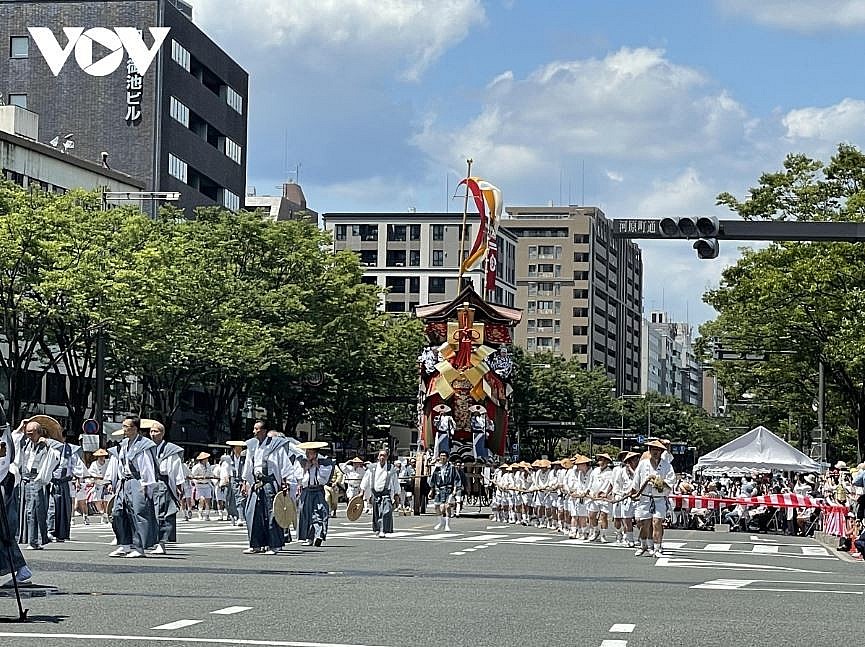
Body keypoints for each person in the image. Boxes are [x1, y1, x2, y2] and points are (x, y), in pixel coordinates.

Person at [106, 417, 157, 558]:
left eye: (126, 426)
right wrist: (113, 482)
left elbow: (147, 467)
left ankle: (139, 547)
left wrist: (147, 486)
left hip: (137, 481)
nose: (123, 429)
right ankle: (124, 544)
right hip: (124, 482)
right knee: (118, 512)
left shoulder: (143, 445)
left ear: (135, 428)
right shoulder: (123, 444)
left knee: (138, 513)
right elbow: (118, 465)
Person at [241, 425, 294, 554]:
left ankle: (274, 545)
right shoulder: (252, 446)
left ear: (264, 431)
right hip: (256, 482)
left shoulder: (276, 447)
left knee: (272, 513)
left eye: (257, 429)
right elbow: (248, 466)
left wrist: (285, 482)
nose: (254, 431)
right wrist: (245, 482)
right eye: (253, 428)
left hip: (270, 483)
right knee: (253, 513)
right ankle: (256, 544)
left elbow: (284, 465)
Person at [0, 405, 32, 587]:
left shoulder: (3, 439)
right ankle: (20, 567)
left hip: (3, 486)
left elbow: (3, 464)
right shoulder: (7, 435)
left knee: (4, 532)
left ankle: (20, 567)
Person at [18, 419, 62, 550]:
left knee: (37, 509)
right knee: (27, 511)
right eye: (27, 433)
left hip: (38, 479)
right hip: (26, 479)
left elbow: (59, 452)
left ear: (39, 433)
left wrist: (47, 443)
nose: (29, 436)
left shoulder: (48, 444)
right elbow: (14, 438)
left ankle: (36, 540)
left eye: (31, 433)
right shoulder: (25, 443)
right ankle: (30, 539)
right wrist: (21, 426)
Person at [632, 440, 675, 557]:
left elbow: (671, 481)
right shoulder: (643, 464)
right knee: (643, 523)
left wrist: (660, 482)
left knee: (657, 522)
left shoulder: (667, 465)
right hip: (645, 498)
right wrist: (633, 493)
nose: (655, 452)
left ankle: (657, 548)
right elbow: (636, 481)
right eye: (652, 449)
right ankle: (644, 545)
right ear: (649, 451)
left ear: (661, 452)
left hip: (659, 498)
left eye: (657, 450)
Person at [148, 421, 185, 555]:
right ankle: (151, 541)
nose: (152, 434)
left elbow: (176, 469)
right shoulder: (148, 448)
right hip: (150, 483)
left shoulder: (170, 450)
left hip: (163, 484)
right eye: (151, 431)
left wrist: (179, 485)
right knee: (150, 513)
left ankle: (162, 543)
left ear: (162, 433)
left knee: (162, 514)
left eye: (156, 431)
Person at [47, 433, 85, 543]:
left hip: (65, 483)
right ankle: (50, 530)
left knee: (64, 508)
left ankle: (62, 533)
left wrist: (77, 479)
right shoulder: (49, 448)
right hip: (51, 482)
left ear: (63, 438)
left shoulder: (70, 450)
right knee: (51, 507)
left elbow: (77, 467)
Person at [297, 442, 334, 546]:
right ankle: (309, 538)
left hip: (318, 490)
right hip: (307, 491)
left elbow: (324, 480)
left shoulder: (324, 463)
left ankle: (319, 535)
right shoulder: (301, 463)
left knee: (320, 512)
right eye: (308, 453)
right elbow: (299, 479)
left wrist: (318, 467)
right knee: (305, 513)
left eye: (313, 453)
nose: (310, 455)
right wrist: (305, 469)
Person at [361, 449, 400, 538]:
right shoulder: (372, 468)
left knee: (386, 511)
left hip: (386, 493)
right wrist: (362, 491)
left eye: (384, 455)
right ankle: (378, 529)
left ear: (387, 457)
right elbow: (365, 479)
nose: (382, 457)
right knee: (377, 513)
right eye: (380, 455)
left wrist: (397, 494)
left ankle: (383, 529)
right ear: (378, 457)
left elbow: (395, 482)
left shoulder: (391, 468)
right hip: (375, 493)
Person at [428, 451, 462, 532]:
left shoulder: (452, 467)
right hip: (439, 490)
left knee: (447, 507)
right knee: (437, 506)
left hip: (448, 489)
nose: (442, 458)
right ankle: (441, 522)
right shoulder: (437, 468)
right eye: (441, 456)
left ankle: (447, 524)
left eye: (444, 456)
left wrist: (454, 489)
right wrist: (431, 490)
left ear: (447, 458)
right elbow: (433, 480)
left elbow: (456, 479)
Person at [587, 454, 614, 542]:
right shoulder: (595, 471)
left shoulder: (610, 472)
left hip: (603, 498)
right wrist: (589, 492)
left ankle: (603, 535)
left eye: (603, 460)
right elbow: (590, 482)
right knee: (591, 515)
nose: (601, 462)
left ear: (607, 462)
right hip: (593, 497)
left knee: (603, 516)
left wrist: (605, 493)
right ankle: (596, 530)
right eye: (600, 460)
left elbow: (611, 485)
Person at [225, 440, 248, 527]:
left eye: (240, 448)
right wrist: (226, 478)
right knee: (229, 499)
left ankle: (240, 517)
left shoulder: (244, 458)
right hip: (231, 480)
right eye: (237, 448)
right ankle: (233, 515)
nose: (239, 450)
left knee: (240, 498)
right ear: (233, 449)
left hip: (241, 479)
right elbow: (225, 469)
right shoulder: (228, 458)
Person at [190, 452, 214, 521]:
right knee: (202, 499)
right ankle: (200, 513)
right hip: (199, 485)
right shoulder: (196, 467)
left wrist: (212, 477)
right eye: (206, 458)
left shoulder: (208, 465)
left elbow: (211, 473)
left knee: (208, 500)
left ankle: (207, 515)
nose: (207, 459)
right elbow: (192, 476)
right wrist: (198, 479)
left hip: (207, 484)